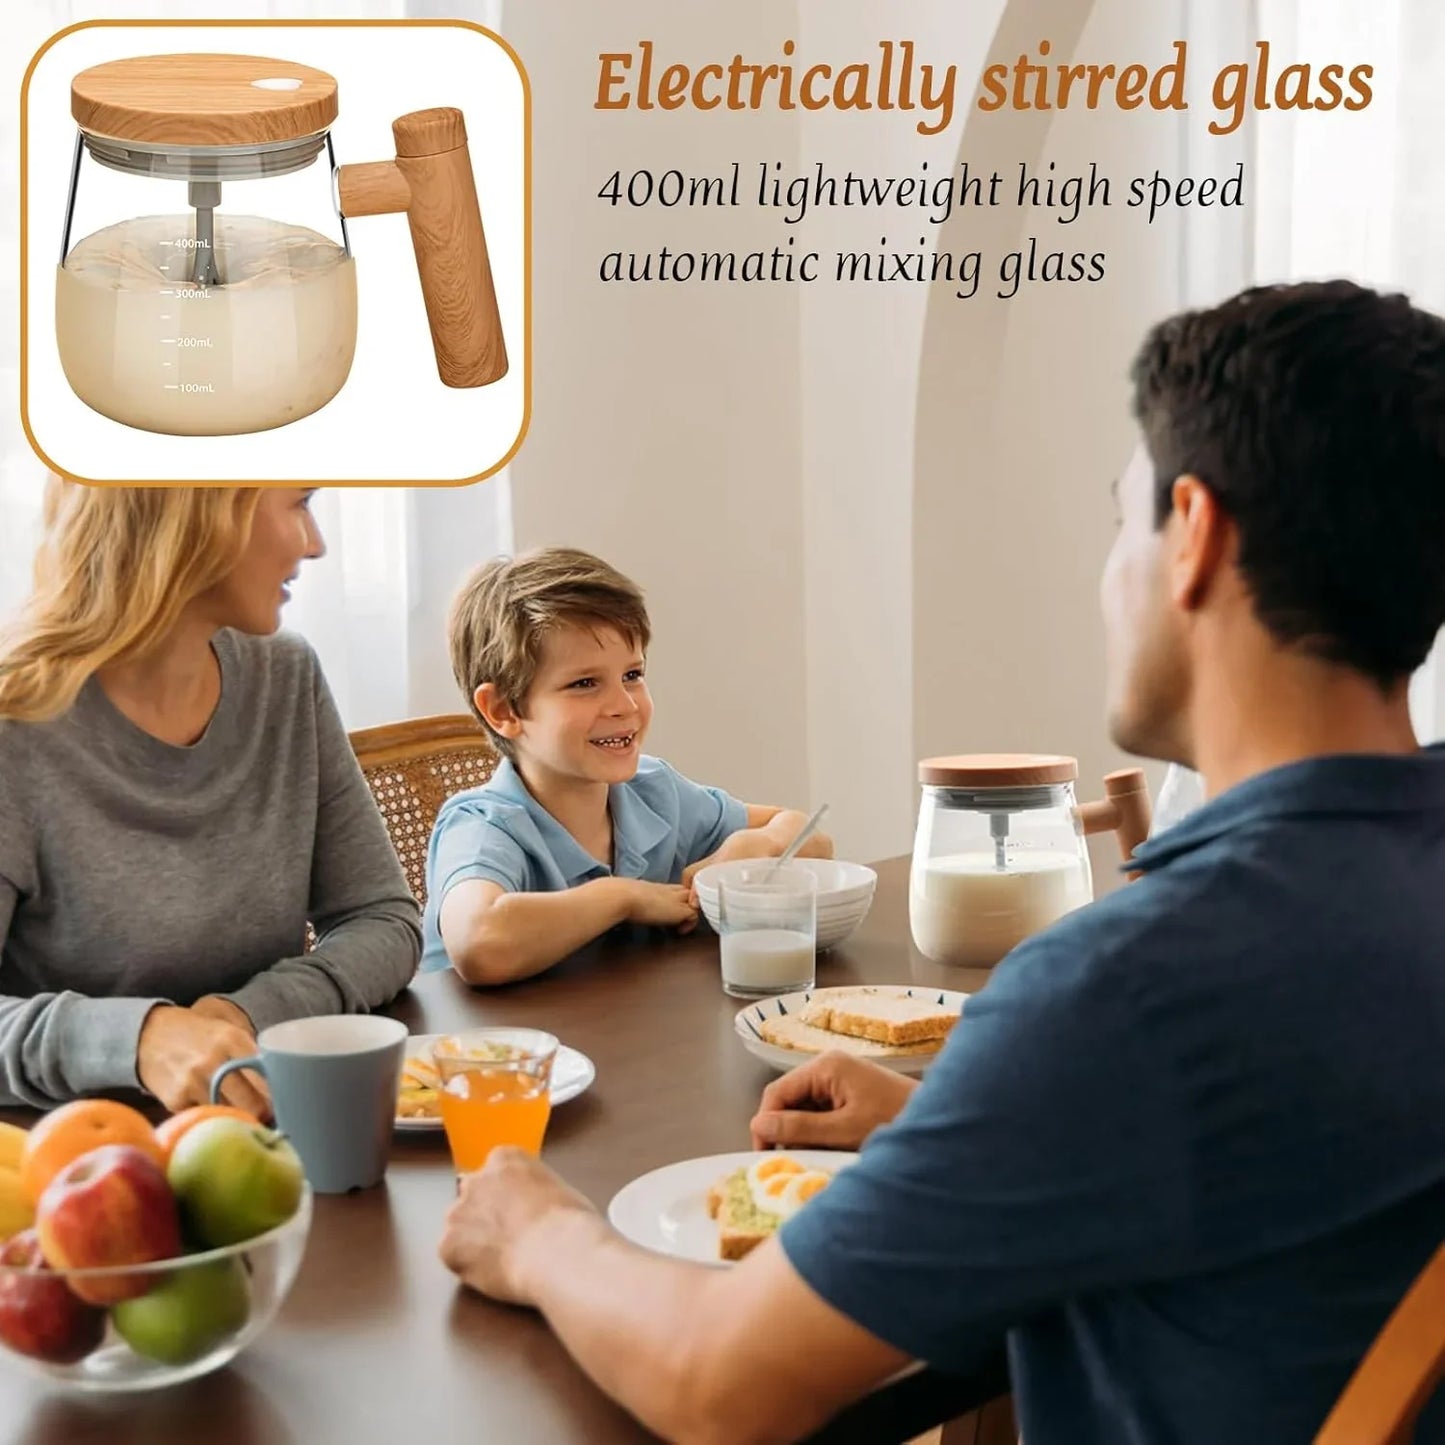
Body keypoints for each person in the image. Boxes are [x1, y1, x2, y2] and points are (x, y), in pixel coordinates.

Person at [437, 281, 1445, 1444]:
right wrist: (979, 1113)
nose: (1106, 573)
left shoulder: (1119, 985)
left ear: (1195, 534)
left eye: (1119, 523)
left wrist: (537, 1230)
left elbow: (720, 1383)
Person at [0, 483, 421, 1116]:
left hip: (259, 1135)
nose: (317, 543)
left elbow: (383, 920)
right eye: (300, 502)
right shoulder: (17, 725)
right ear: (199, 509)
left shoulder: (286, 677)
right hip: (61, 1170)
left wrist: (242, 1014)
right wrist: (141, 1039)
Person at [422, 547, 832, 983]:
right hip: (489, 1047)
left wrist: (754, 849)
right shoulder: (483, 827)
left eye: (632, 675)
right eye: (584, 683)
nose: (624, 704)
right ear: (503, 710)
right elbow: (480, 943)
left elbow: (812, 839)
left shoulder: (654, 791)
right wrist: (621, 898)